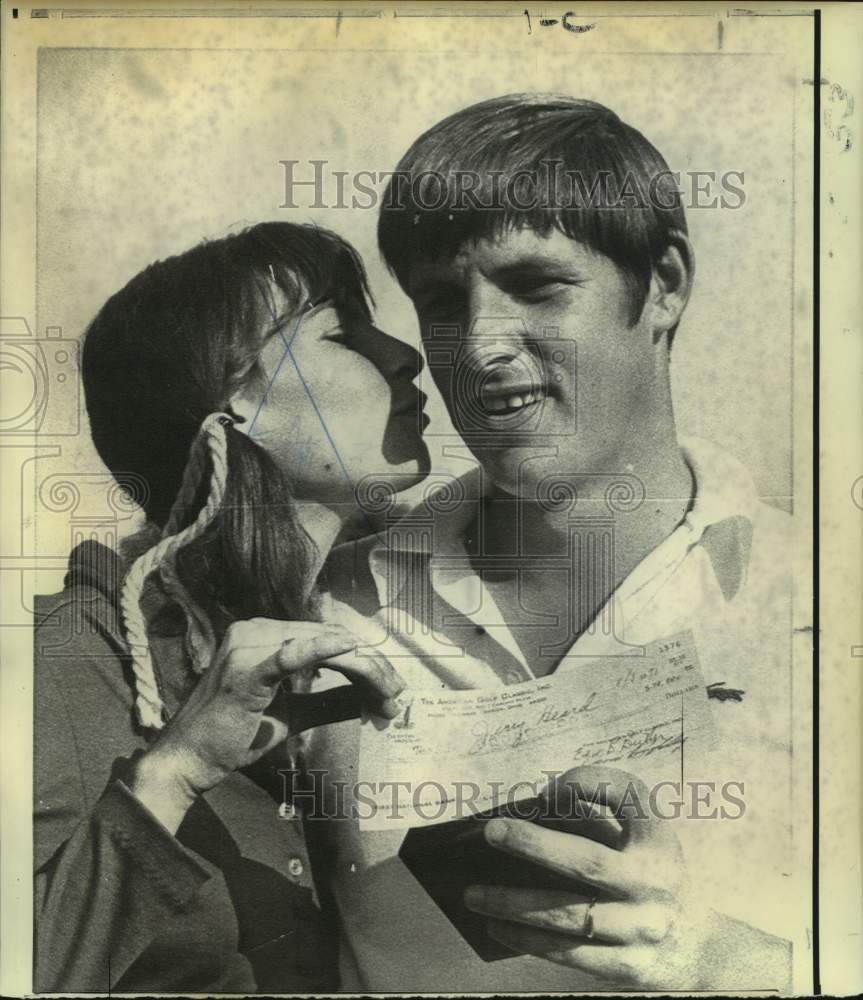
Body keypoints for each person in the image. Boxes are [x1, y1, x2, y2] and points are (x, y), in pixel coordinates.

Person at [311, 94, 796, 991]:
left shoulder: (821, 598)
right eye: (442, 301)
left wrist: (709, 959)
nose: (482, 344)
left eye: (537, 285)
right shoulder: (335, 613)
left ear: (665, 284)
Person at [33, 221, 429, 992]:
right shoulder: (66, 660)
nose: (404, 356)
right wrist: (177, 769)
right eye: (344, 332)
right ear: (232, 398)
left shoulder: (338, 629)